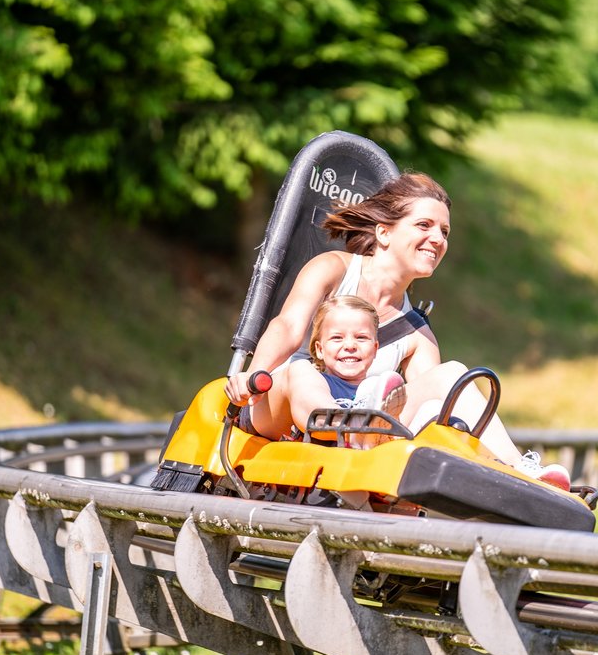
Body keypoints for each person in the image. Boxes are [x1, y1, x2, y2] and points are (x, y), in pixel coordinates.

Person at [225, 172, 570, 488]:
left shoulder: (416, 333)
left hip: (361, 432)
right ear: (384, 232)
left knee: (450, 377)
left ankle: (516, 471)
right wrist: (253, 376)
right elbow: (287, 327)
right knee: (301, 371)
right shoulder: (331, 269)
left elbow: (431, 416)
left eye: (444, 232)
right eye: (424, 225)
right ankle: (345, 422)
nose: (437, 239)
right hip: (279, 411)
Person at [281, 294, 406, 446]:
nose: (350, 345)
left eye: (361, 337)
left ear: (375, 349)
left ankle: (422, 428)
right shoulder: (313, 380)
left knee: (377, 386)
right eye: (337, 338)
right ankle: (355, 427)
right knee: (299, 368)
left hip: (368, 416)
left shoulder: (378, 390)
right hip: (286, 421)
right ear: (320, 349)